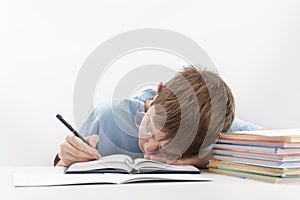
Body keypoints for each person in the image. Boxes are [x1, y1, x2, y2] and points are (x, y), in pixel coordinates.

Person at [54, 66, 262, 167]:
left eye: (168, 148)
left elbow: (290, 145)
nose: (149, 148)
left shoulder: (211, 125)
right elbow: (59, 165)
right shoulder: (108, 116)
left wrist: (208, 158)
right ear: (159, 91)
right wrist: (65, 158)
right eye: (149, 129)